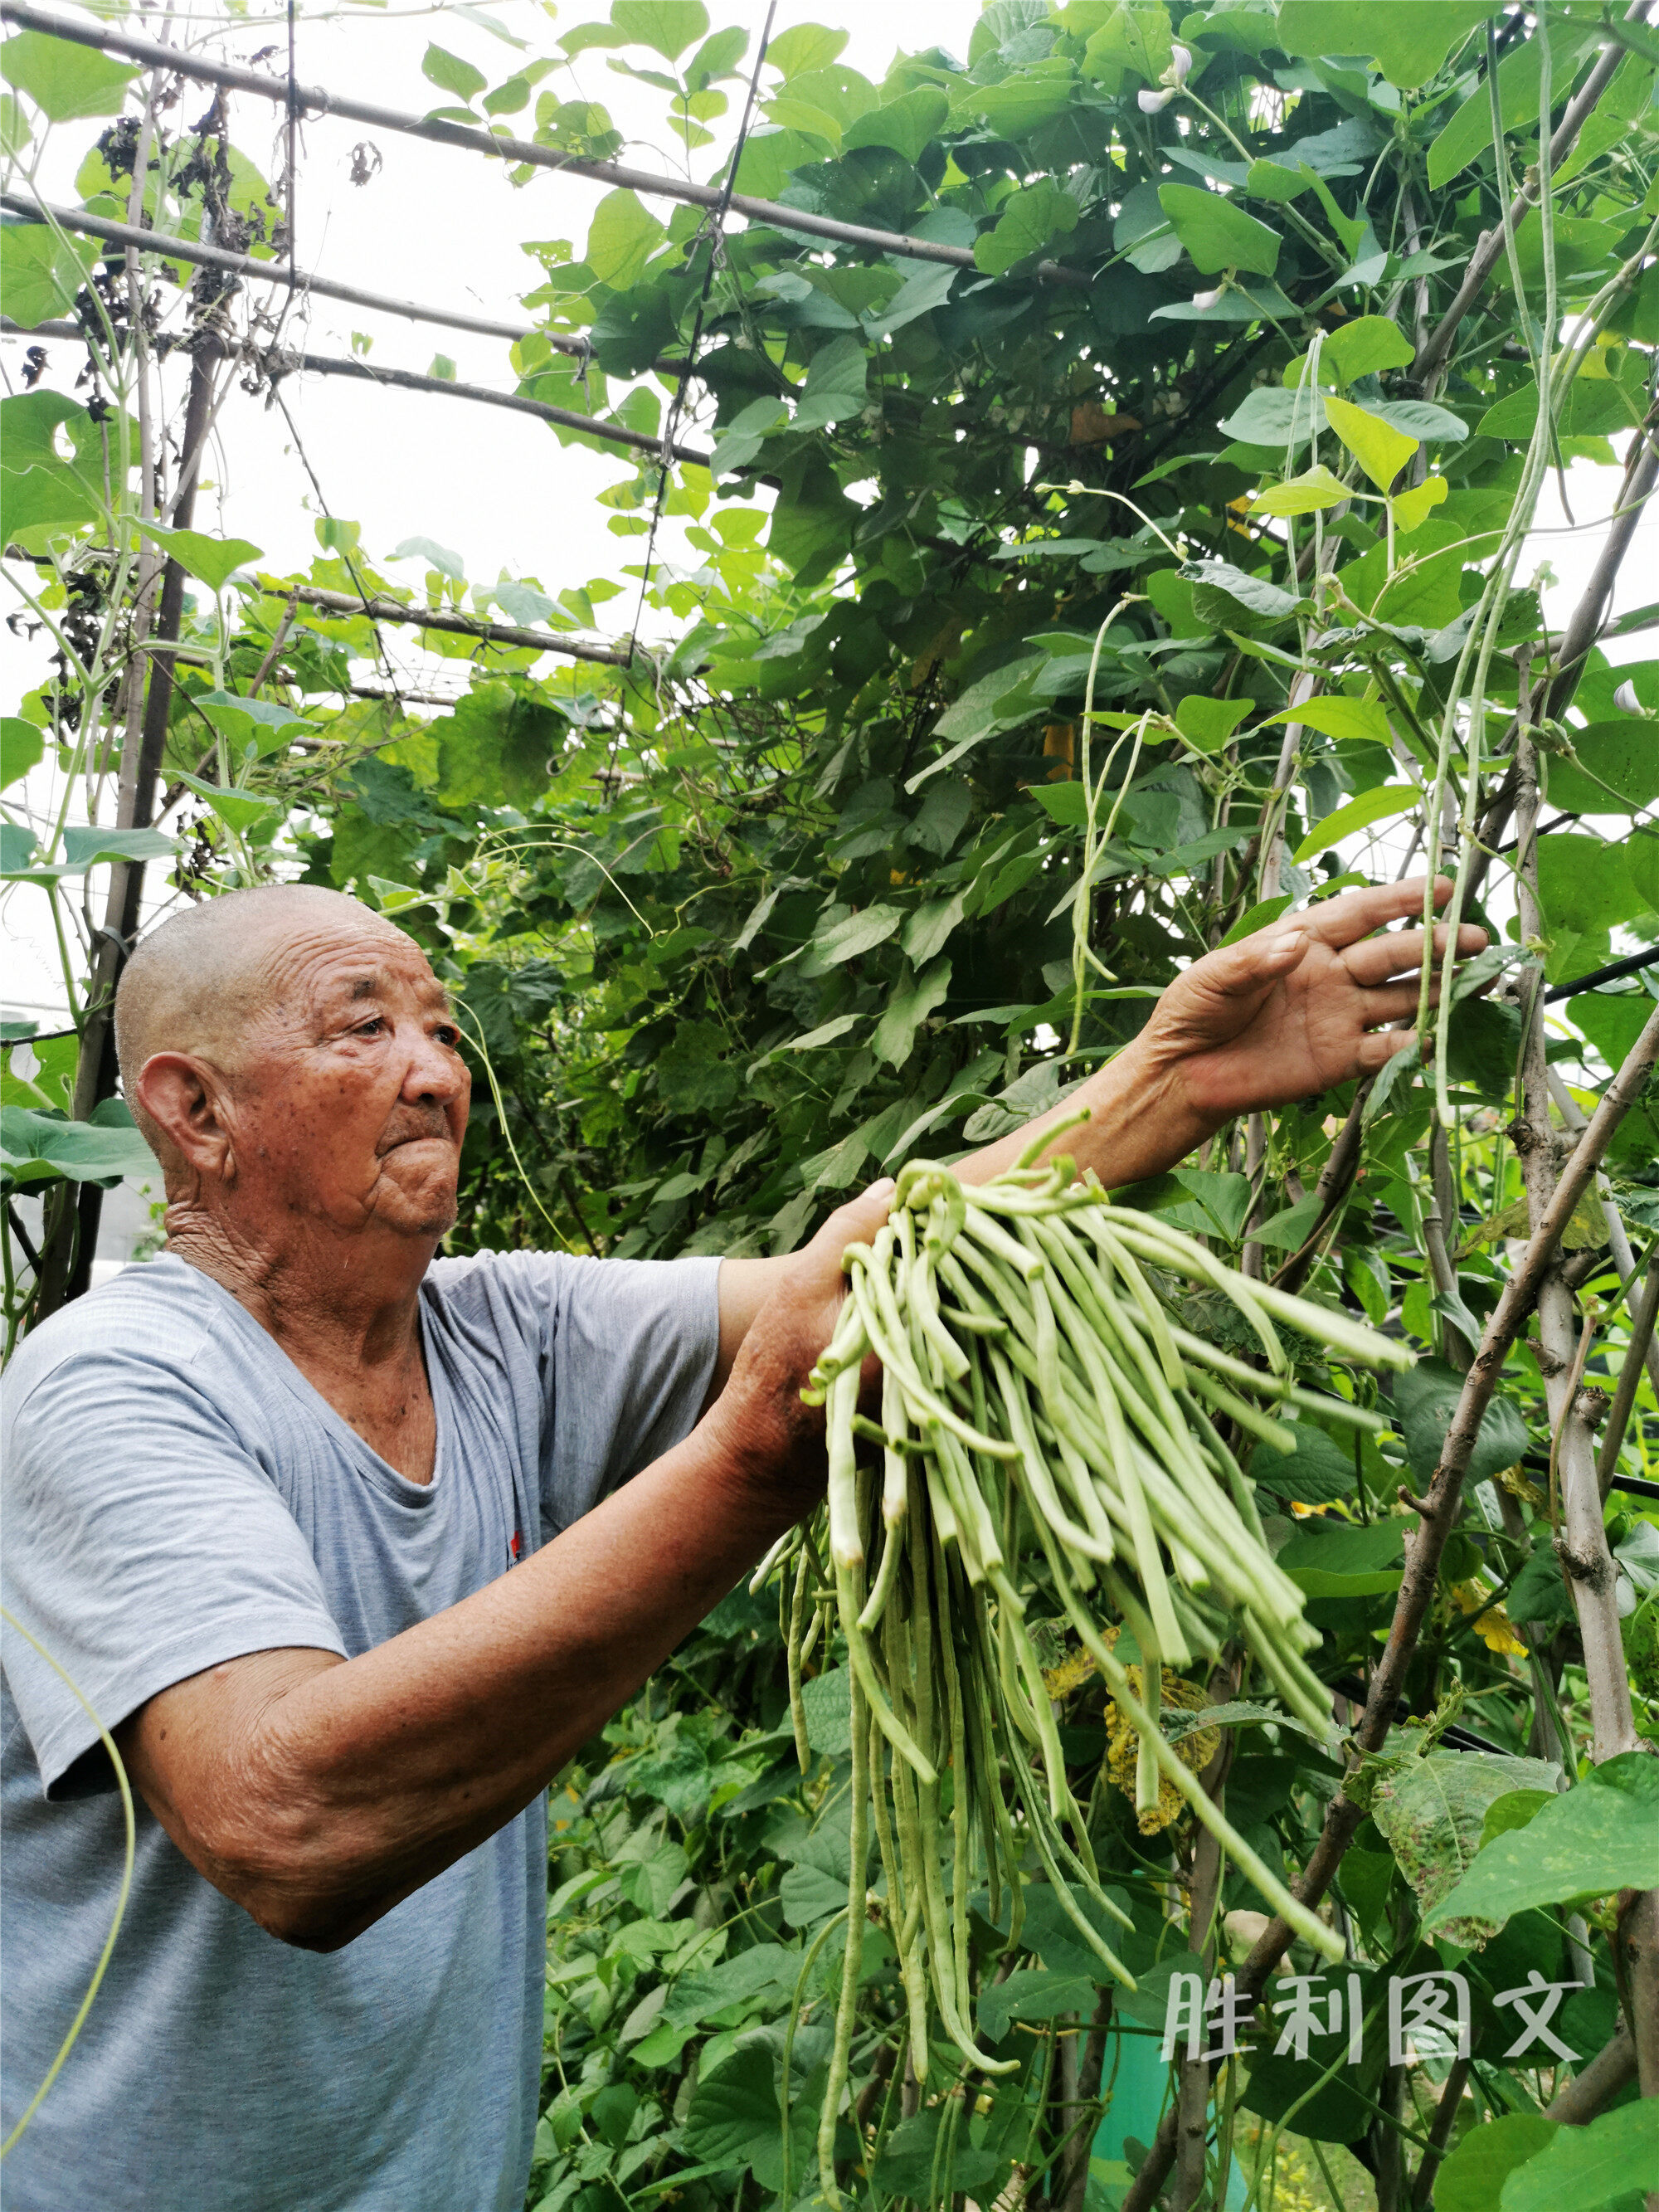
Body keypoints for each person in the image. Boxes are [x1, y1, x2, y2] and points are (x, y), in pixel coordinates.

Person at [0, 876, 1480, 2210]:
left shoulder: (501, 1330)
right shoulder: (115, 1384)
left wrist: (1174, 1079)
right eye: (364, 1028)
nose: (436, 1074)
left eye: (444, 1033)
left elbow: (884, 1265)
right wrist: (755, 1457)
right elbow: (285, 1823)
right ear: (194, 1112)